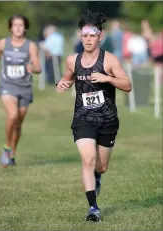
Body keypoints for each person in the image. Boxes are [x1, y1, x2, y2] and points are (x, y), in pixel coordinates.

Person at [56, 10, 132, 222]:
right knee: (87, 159)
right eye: (85, 35)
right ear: (80, 36)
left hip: (107, 119)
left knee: (101, 166)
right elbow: (67, 78)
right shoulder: (72, 60)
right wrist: (62, 83)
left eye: (92, 35)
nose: (88, 39)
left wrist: (107, 78)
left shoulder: (110, 60)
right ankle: (93, 208)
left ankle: (98, 177)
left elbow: (127, 85)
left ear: (100, 36)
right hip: (82, 118)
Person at [0, 14, 41, 167]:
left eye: (21, 25)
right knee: (12, 116)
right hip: (7, 86)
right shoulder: (3, 43)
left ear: (25, 27)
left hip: (24, 88)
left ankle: (13, 153)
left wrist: (33, 68)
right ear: (10, 27)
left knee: (18, 124)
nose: (18, 28)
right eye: (15, 25)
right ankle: (6, 148)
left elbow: (38, 68)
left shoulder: (30, 46)